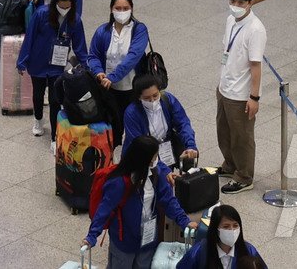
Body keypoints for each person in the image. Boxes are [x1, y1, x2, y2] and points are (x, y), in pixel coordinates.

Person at [83, 135, 191, 269]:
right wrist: (92, 236)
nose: (157, 160)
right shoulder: (119, 183)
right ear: (143, 159)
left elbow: (168, 200)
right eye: (154, 157)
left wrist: (185, 221)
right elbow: (104, 210)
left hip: (148, 238)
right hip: (125, 242)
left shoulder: (156, 175)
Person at [215, 0, 266, 196]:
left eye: (241, 2)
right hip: (224, 87)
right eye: (232, 0)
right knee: (223, 132)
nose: (235, 5)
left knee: (242, 137)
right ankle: (230, 165)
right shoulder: (230, 20)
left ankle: (244, 176)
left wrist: (254, 97)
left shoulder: (256, 29)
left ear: (250, 2)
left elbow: (256, 66)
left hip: (241, 94)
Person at [18, 0, 85, 146]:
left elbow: (80, 46)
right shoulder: (41, 14)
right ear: (55, 3)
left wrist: (87, 66)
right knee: (38, 95)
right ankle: (38, 119)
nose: (64, 10)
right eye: (61, 7)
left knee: (55, 100)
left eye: (67, 7)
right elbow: (30, 37)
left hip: (57, 64)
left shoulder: (75, 20)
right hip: (38, 61)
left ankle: (55, 137)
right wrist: (22, 61)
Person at [88, 0, 150, 149]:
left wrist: (113, 76)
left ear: (132, 9)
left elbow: (133, 57)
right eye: (118, 8)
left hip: (132, 88)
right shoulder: (103, 31)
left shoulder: (139, 30)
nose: (122, 12)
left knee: (134, 126)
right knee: (113, 126)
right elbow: (93, 55)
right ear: (111, 9)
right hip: (109, 90)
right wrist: (98, 71)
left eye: (125, 8)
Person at [124, 75, 199, 173]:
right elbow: (139, 145)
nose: (152, 101)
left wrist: (190, 146)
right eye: (147, 98)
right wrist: (163, 170)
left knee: (188, 159)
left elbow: (183, 123)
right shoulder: (132, 113)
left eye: (155, 95)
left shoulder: (168, 99)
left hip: (166, 145)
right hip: (145, 154)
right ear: (139, 97)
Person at [177, 204, 264, 269]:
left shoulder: (249, 251)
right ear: (215, 229)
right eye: (226, 226)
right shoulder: (198, 253)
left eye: (235, 225)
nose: (232, 230)